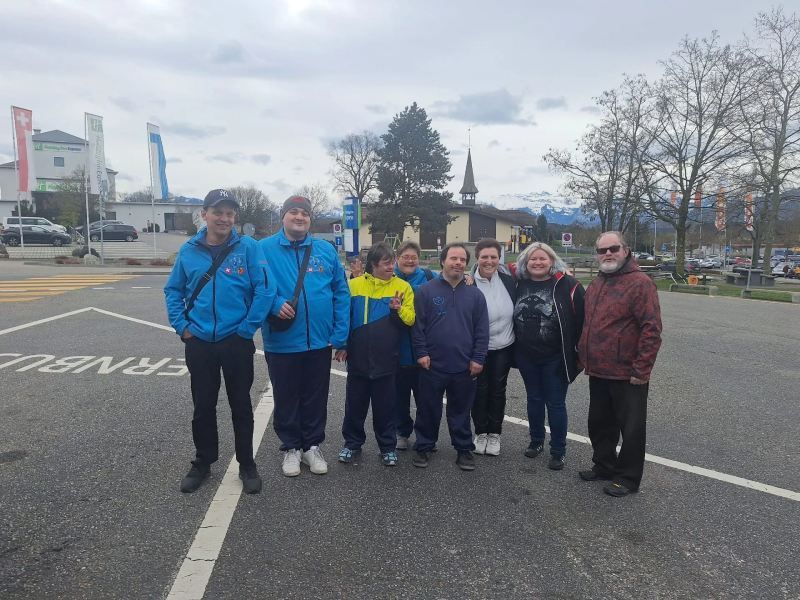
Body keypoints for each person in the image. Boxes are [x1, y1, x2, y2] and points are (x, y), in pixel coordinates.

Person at [164, 189, 275, 495]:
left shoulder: (248, 248)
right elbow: (173, 290)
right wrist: (182, 326)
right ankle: (203, 462)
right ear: (205, 214)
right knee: (203, 405)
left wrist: (246, 328)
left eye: (229, 213)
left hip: (236, 341)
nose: (224, 218)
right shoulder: (188, 251)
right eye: (218, 212)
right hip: (199, 341)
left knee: (241, 405)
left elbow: (264, 290)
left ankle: (247, 464)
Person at [260, 195, 350, 477]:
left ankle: (311, 446)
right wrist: (274, 303)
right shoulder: (263, 249)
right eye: (293, 212)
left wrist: (340, 333)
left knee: (315, 395)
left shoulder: (324, 250)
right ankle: (291, 447)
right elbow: (253, 286)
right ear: (283, 216)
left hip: (319, 341)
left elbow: (341, 292)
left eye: (304, 214)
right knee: (286, 395)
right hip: (282, 340)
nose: (299, 217)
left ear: (310, 219)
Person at [577, 231, 662, 497]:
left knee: (632, 428)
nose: (608, 254)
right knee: (600, 423)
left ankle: (627, 477)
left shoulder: (640, 283)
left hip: (628, 373)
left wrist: (642, 369)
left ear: (625, 250)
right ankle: (604, 465)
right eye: (602, 251)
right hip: (599, 369)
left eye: (613, 248)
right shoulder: (598, 282)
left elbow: (651, 329)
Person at [411, 243, 489, 471]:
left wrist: (478, 358)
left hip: (465, 366)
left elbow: (482, 330)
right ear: (442, 261)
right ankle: (424, 446)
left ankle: (464, 449)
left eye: (462, 259)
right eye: (453, 258)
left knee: (461, 412)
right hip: (431, 365)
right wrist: (422, 353)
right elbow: (418, 327)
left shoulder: (475, 295)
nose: (458, 263)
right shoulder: (425, 291)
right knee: (427, 409)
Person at [335, 242, 415, 466]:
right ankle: (352, 444)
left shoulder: (402, 287)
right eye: (387, 262)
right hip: (358, 358)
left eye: (393, 262)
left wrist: (399, 309)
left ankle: (387, 447)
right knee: (354, 405)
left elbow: (411, 319)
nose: (392, 266)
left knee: (385, 407)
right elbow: (345, 317)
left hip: (387, 360)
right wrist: (342, 344)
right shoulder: (354, 285)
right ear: (373, 264)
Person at [513, 242, 585, 471]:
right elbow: (496, 267)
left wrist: (579, 353)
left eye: (543, 258)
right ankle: (536, 441)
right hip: (526, 355)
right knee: (534, 399)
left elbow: (583, 320)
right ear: (525, 262)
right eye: (532, 259)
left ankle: (558, 450)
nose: (537, 262)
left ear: (552, 261)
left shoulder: (567, 285)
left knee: (555, 403)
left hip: (556, 356)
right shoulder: (518, 283)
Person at [470, 239, 516, 456]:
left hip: (504, 347)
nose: (489, 261)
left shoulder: (509, 280)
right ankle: (480, 432)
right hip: (478, 349)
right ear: (477, 258)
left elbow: (544, 267)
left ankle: (494, 433)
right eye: (484, 257)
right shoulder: (468, 283)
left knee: (498, 391)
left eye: (493, 257)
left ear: (499, 259)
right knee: (479, 391)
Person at [392, 240, 436, 450]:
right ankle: (402, 432)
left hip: (424, 350)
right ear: (397, 258)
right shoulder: (388, 278)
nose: (410, 260)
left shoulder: (429, 277)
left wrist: (467, 278)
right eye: (405, 257)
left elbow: (449, 285)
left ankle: (425, 435)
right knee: (399, 398)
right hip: (396, 351)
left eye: (413, 257)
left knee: (426, 398)